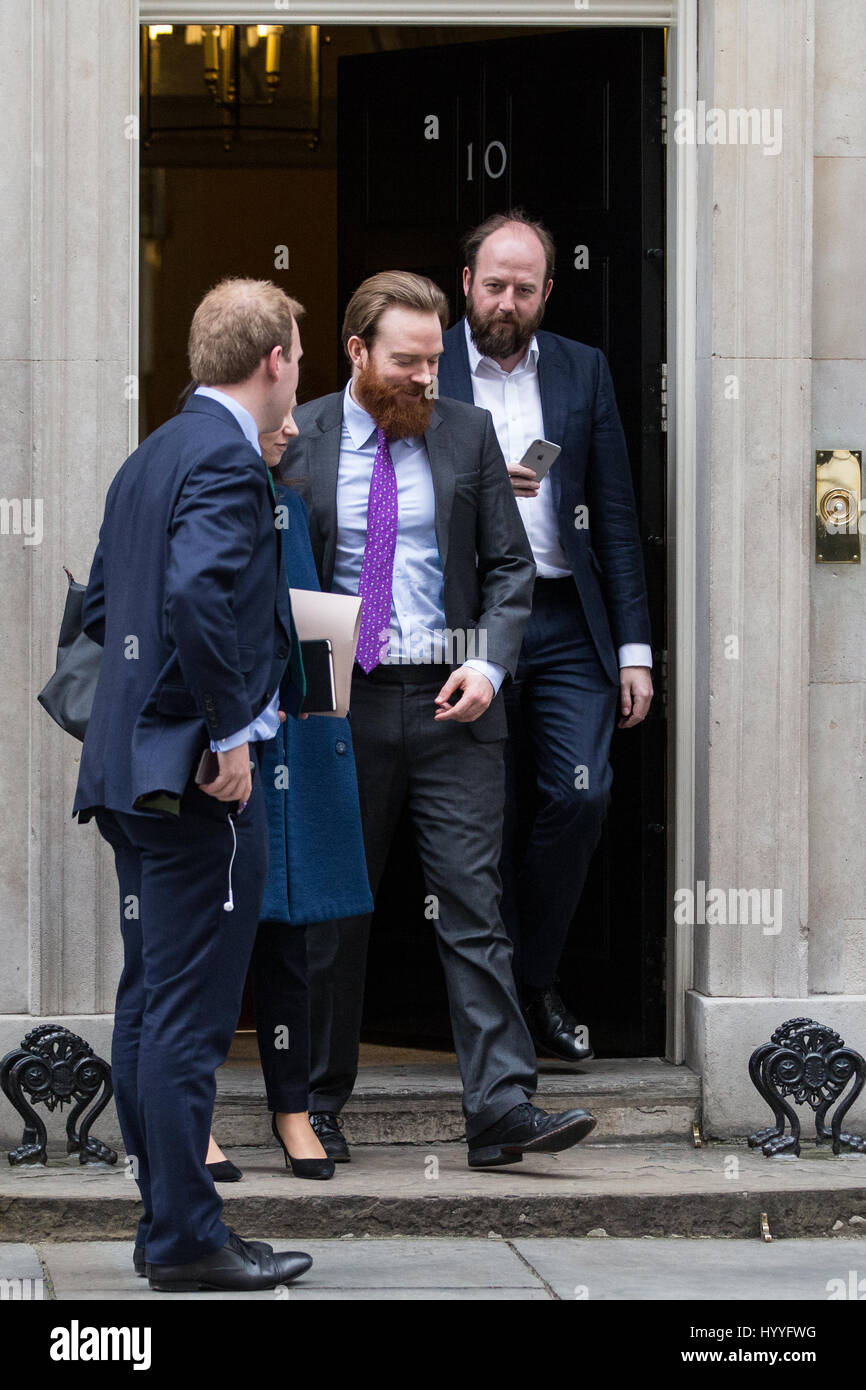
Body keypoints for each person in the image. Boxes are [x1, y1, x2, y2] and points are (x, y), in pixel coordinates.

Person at [281, 270, 598, 1170]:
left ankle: (500, 1108)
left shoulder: (469, 430)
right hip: (337, 699)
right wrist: (305, 689)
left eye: (433, 360)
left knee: (473, 906)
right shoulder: (300, 436)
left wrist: (489, 661)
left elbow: (510, 567)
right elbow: (273, 570)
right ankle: (313, 1102)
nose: (427, 378)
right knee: (332, 914)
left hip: (455, 700)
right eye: (408, 362)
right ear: (356, 352)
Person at [73, 278, 313, 1292]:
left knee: (149, 1003)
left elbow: (95, 615)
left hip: (133, 776)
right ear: (273, 361)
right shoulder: (220, 458)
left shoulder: (153, 454)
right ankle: (183, 1239)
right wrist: (224, 733)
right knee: (187, 1015)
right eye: (299, 353)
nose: (300, 370)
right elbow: (195, 596)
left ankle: (170, 1222)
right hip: (196, 782)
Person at [437, 210, 654, 1063]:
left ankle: (532, 977)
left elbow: (620, 518)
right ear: (466, 282)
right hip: (467, 616)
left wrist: (634, 649)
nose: (507, 301)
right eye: (494, 283)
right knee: (469, 817)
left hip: (564, 617)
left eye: (525, 288)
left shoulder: (582, 369)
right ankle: (481, 1014)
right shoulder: (428, 362)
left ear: (548, 293)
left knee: (580, 795)